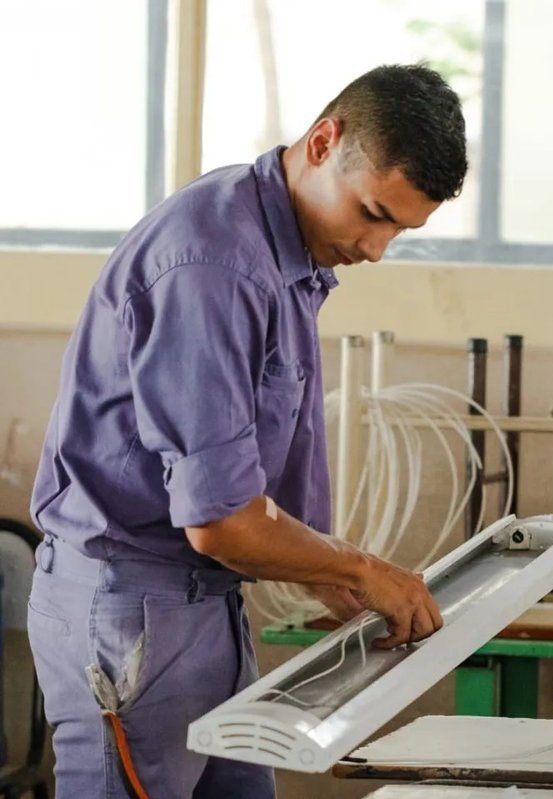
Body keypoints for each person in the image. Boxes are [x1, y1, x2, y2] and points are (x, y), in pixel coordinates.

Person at [26, 63, 468, 798]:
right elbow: (221, 520)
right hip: (131, 608)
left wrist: (329, 574)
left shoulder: (284, 245)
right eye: (373, 213)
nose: (376, 249)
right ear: (323, 142)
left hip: (204, 604)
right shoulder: (214, 263)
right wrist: (356, 569)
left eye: (400, 229)